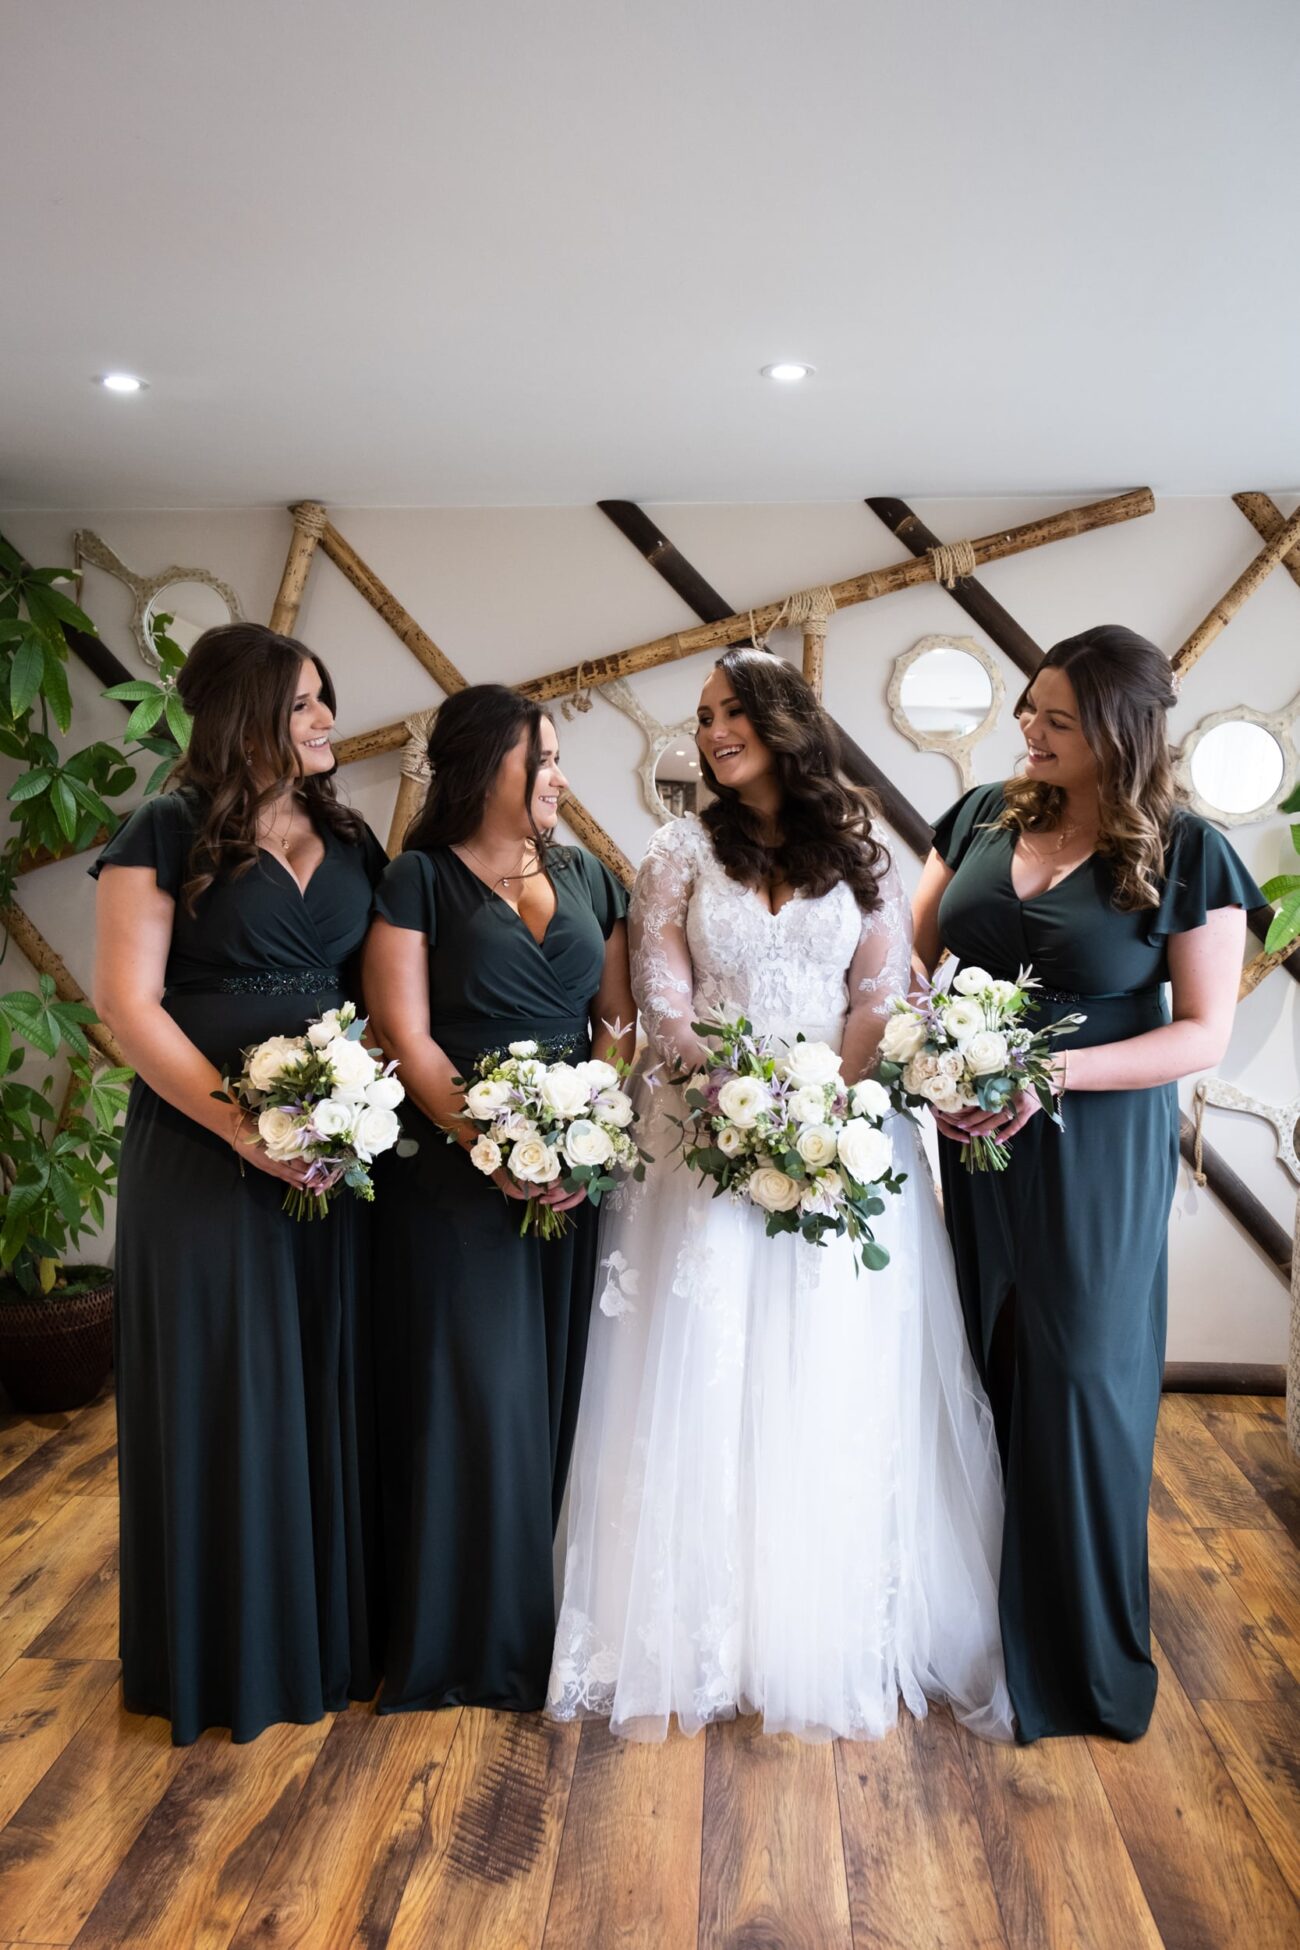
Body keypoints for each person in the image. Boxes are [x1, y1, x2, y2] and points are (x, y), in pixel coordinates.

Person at [548, 647, 1012, 1744]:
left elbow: (878, 987)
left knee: (827, 1359)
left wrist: (830, 1113)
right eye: (703, 716)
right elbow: (661, 991)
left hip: (840, 1131)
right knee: (703, 1365)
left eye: (731, 713)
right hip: (702, 1129)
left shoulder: (860, 851)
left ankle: (824, 1619)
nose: (712, 732)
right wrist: (729, 1102)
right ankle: (698, 1628)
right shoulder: (675, 850)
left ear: (783, 721)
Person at [911, 625, 1263, 1742]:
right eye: (1029, 710)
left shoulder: (1188, 852)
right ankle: (968, 1634)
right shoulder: (977, 817)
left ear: (1116, 734)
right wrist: (944, 1067)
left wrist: (1045, 1071)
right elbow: (914, 966)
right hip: (979, 1136)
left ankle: (1075, 1665)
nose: (1029, 731)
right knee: (975, 1362)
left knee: (1081, 1382)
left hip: (1096, 1141)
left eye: (1056, 720)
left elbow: (1202, 1035)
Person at [91, 623, 388, 1745]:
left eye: (324, 698)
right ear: (244, 713)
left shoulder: (350, 834)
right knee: (228, 1389)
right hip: (203, 1157)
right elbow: (130, 1006)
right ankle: (226, 1657)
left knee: (320, 1378)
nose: (323, 720)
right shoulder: (162, 830)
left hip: (334, 1152)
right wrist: (243, 1131)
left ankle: (328, 1643)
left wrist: (350, 1118)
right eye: (303, 702)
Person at [362, 685, 634, 1714]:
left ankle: (557, 1631)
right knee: (476, 1399)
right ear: (485, 768)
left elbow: (612, 1019)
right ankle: (467, 1645)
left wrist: (583, 1129)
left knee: (561, 1395)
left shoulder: (590, 875)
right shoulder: (417, 880)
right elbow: (406, 1035)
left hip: (574, 1175)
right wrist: (494, 1146)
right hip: (452, 1177)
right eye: (543, 760)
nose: (558, 777)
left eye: (559, 759)